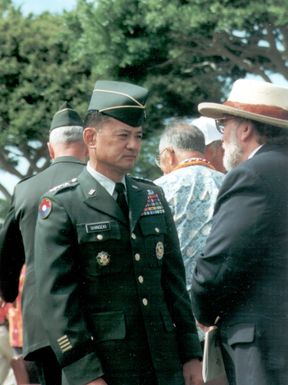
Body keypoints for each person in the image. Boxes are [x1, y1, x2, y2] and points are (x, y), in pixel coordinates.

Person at [34, 80, 203, 385]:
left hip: (165, 362)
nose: (134, 145)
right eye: (123, 135)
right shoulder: (62, 205)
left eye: (138, 136)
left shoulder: (151, 196)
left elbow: (173, 282)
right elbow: (58, 300)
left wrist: (191, 354)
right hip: (107, 367)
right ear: (91, 137)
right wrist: (84, 372)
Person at [190, 78, 288, 385]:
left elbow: (220, 261)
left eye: (224, 125)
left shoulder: (253, 174)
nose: (223, 137)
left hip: (264, 346)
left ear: (245, 129)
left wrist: (203, 310)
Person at [0, 102, 87, 385]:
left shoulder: (25, 190)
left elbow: (7, 254)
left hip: (42, 323)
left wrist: (8, 291)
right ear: (88, 142)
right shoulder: (101, 183)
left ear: (51, 149)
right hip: (95, 318)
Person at [154, 120, 224, 299]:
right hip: (223, 303)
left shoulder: (157, 190)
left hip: (175, 303)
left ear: (168, 154)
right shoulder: (230, 184)